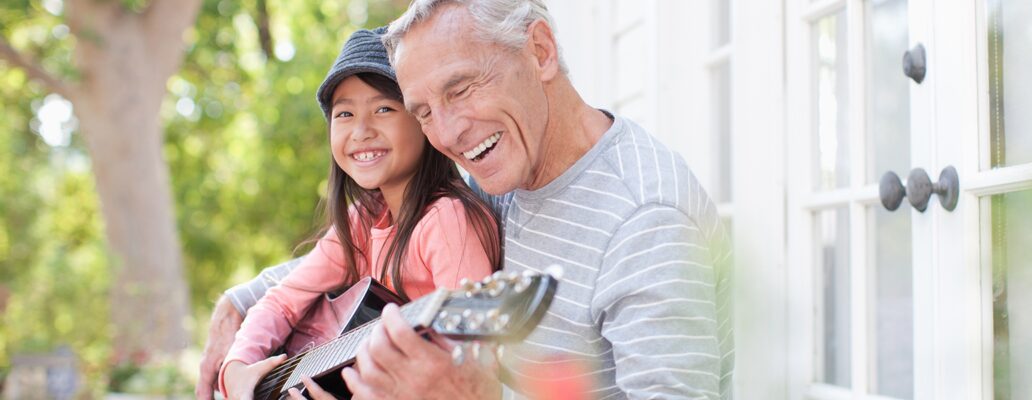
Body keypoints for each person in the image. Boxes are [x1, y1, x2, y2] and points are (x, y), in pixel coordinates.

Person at [197, 1, 734, 398]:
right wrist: (243, 300)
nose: (448, 134)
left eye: (461, 89)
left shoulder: (645, 220)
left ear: (540, 51)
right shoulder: (505, 171)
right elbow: (373, 242)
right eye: (424, 110)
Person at [212, 26, 504, 400]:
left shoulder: (445, 222)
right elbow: (283, 300)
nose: (361, 131)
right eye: (345, 113)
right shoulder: (364, 219)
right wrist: (235, 370)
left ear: (422, 118)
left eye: (383, 108)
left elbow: (473, 369)